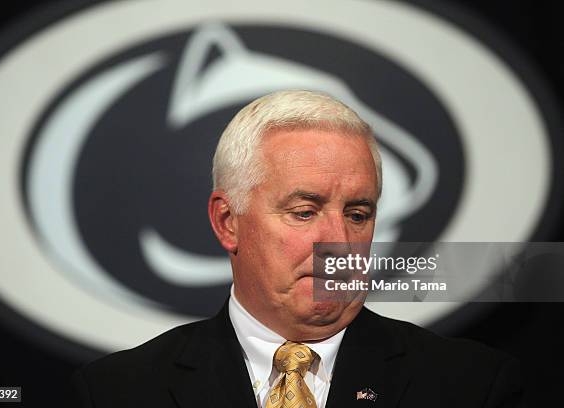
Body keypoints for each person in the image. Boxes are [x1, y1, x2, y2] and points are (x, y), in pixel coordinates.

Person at [72, 90, 523, 407]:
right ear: (228, 222)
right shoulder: (118, 391)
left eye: (358, 214)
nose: (339, 243)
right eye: (305, 212)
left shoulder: (473, 386)